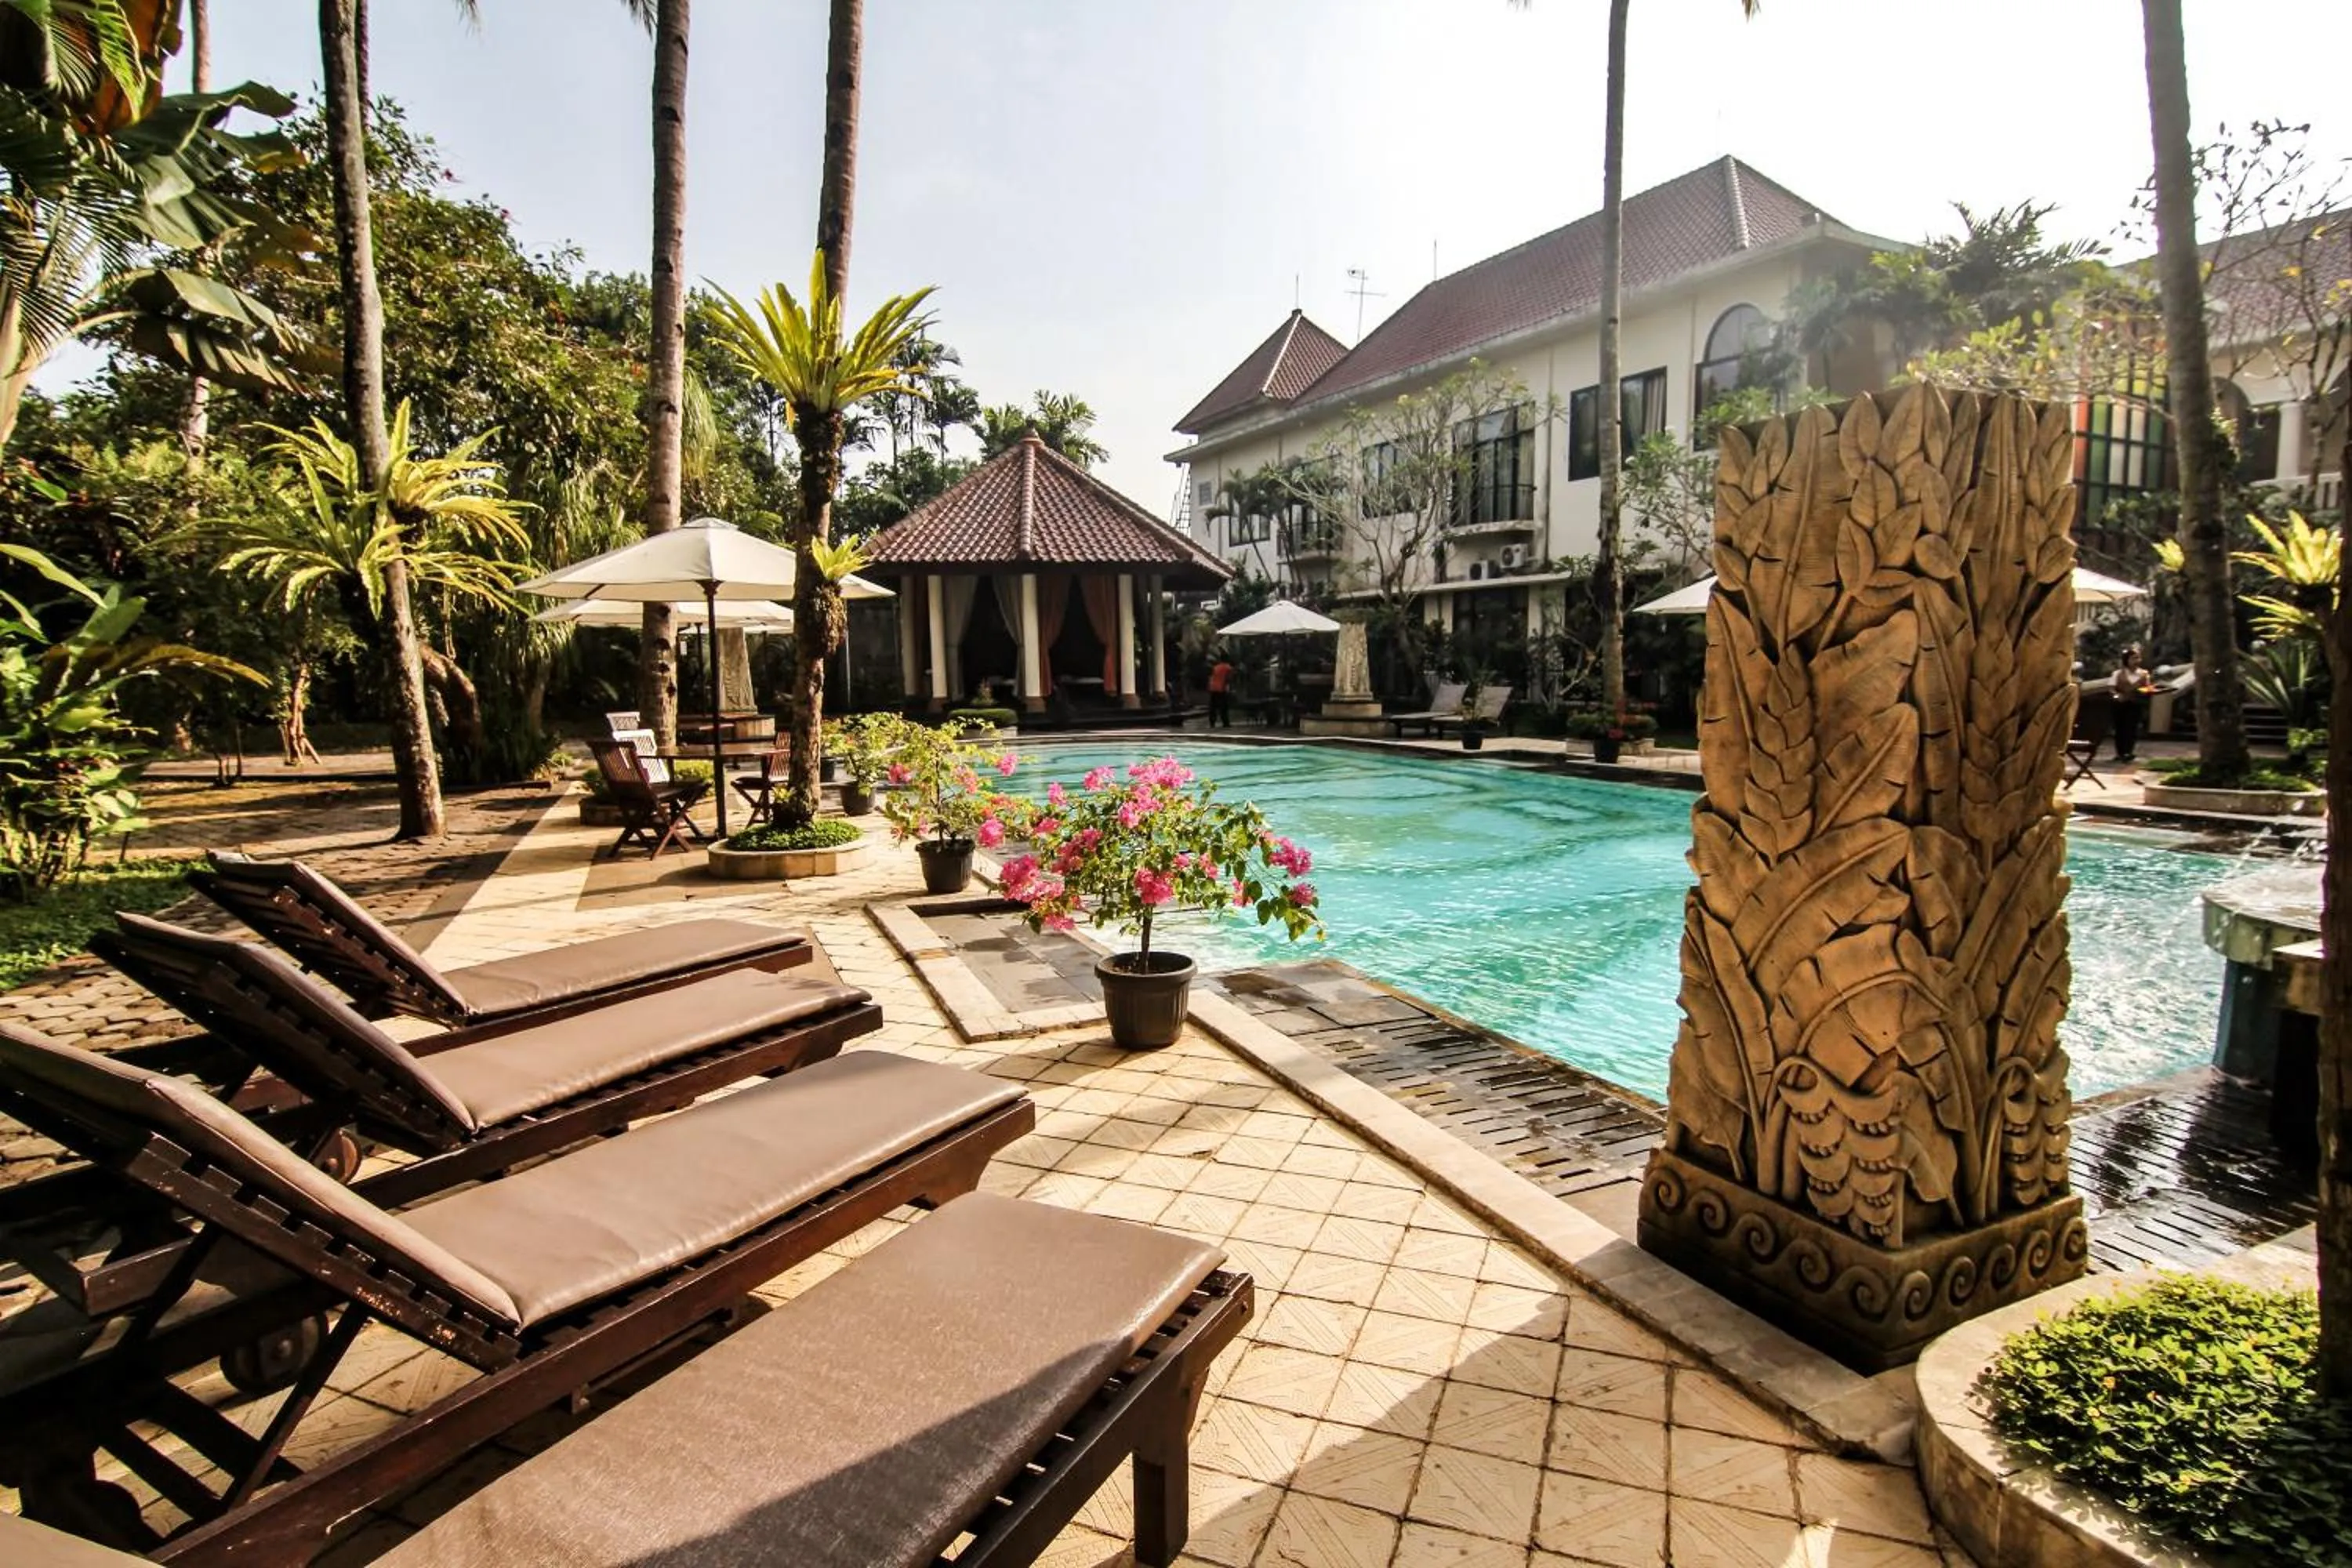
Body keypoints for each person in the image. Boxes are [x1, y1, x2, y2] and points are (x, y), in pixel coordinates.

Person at [2110, 645, 2155, 762]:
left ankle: (2128, 752)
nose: (2137, 661)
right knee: (2120, 728)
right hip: (2120, 704)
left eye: (2138, 658)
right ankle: (2119, 753)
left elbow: (2148, 688)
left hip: (2135, 704)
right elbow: (2112, 689)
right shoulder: (2117, 674)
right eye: (2134, 658)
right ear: (2127, 660)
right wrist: (2117, 696)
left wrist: (2147, 691)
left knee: (2132, 728)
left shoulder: (2144, 674)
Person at [1207, 650, 1236, 729]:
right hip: (1221, 688)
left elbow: (1212, 677)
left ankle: (1212, 722)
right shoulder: (1228, 667)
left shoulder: (1216, 667)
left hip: (1213, 687)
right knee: (1223, 706)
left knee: (1213, 706)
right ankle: (1225, 723)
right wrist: (1230, 688)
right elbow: (1228, 679)